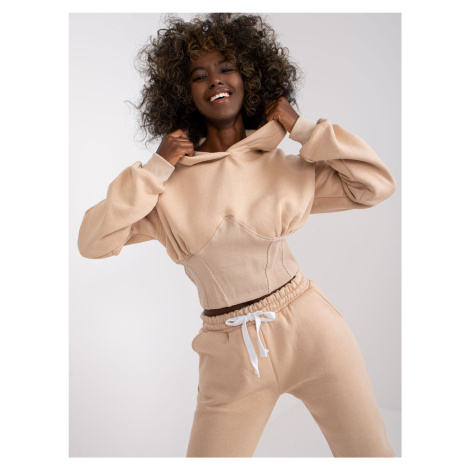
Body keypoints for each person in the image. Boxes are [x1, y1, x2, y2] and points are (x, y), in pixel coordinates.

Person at [77, 13, 397, 457]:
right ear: (182, 92)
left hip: (314, 336)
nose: (215, 80)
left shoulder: (285, 167)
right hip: (229, 357)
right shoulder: (164, 189)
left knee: (370, 455)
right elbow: (92, 242)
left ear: (249, 76)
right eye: (199, 75)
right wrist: (155, 168)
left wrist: (303, 129)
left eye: (226, 67)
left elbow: (375, 185)